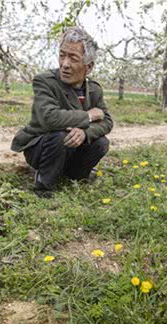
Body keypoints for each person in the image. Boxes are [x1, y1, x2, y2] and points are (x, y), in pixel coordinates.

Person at [11, 26, 113, 196]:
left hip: (72, 148)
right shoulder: (45, 81)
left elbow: (107, 121)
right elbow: (49, 118)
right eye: (62, 55)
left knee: (101, 143)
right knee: (60, 136)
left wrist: (85, 132)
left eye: (73, 58)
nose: (65, 64)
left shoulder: (94, 89)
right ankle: (43, 185)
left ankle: (75, 176)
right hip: (42, 146)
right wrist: (88, 116)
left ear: (88, 67)